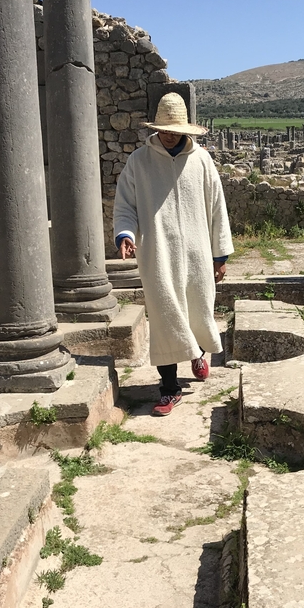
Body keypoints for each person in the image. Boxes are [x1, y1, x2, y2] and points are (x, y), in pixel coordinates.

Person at [113, 92, 234, 416]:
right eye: (164, 129)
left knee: (198, 308)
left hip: (196, 253)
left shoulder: (202, 161)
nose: (168, 135)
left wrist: (220, 256)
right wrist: (125, 235)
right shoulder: (139, 161)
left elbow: (216, 209)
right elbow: (125, 205)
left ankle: (197, 354)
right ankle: (169, 389)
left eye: (175, 129)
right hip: (158, 254)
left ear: (185, 129)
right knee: (165, 316)